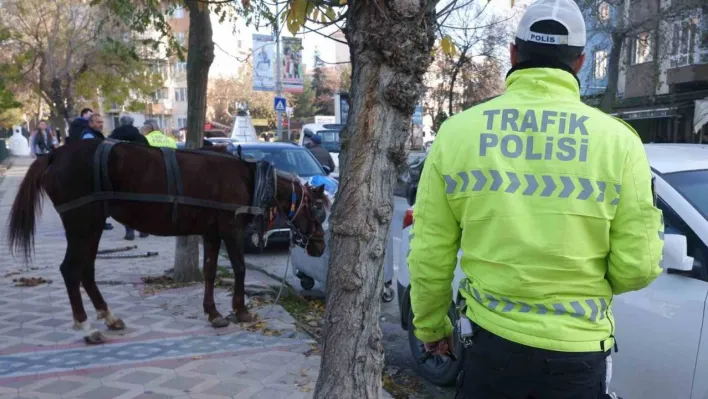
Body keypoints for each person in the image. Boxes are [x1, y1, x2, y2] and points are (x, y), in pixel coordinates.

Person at [407, 0, 664, 398]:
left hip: (489, 350)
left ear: (513, 53)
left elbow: (429, 252)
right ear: (580, 62)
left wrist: (431, 328)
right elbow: (639, 267)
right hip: (577, 357)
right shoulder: (619, 142)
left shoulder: (457, 134)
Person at [108, 115, 149, 240]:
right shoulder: (140, 138)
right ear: (132, 123)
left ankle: (129, 231)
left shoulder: (112, 138)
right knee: (140, 202)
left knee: (124, 204)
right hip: (139, 174)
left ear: (120, 123)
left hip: (120, 174)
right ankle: (143, 229)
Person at [81, 114, 113, 231]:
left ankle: (101, 222)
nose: (101, 124)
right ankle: (96, 222)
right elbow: (91, 152)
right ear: (91, 123)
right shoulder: (88, 135)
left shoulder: (96, 134)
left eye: (101, 122)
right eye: (98, 122)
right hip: (92, 171)